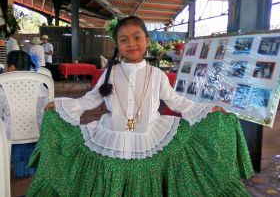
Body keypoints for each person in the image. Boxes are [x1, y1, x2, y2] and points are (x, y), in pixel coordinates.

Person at [27, 16, 253, 196]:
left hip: (151, 135)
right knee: (114, 175)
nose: (131, 44)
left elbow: (176, 102)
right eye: (123, 40)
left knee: (149, 175)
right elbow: (90, 100)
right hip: (112, 136)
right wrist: (61, 106)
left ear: (147, 40)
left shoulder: (157, 75)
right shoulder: (110, 73)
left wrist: (206, 109)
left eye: (137, 37)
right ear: (117, 44)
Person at [0, 50, 49, 177]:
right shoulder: (40, 85)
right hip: (37, 132)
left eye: (4, 65)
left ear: (11, 68)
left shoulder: (2, 88)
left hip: (9, 135)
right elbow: (47, 108)